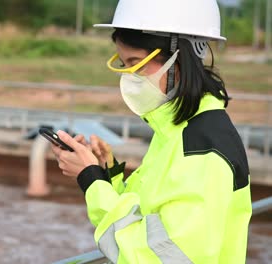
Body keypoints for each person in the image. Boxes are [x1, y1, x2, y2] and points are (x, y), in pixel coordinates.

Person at [51, 0, 252, 263]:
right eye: (124, 64)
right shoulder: (177, 131)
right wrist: (105, 173)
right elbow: (147, 217)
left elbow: (158, 256)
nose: (130, 76)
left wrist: (91, 180)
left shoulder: (202, 149)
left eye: (137, 63)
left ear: (181, 57)